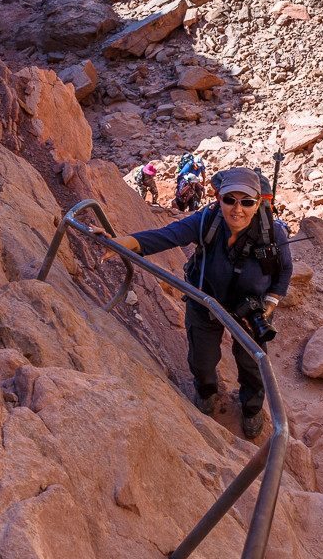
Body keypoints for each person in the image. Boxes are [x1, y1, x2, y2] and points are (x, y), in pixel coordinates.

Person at [99, 167, 293, 438]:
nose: (237, 209)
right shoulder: (206, 222)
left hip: (252, 309)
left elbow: (284, 270)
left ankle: (251, 408)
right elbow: (166, 236)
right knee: (202, 360)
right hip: (205, 301)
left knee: (252, 364)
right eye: (229, 200)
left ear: (258, 202)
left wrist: (270, 302)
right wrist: (121, 243)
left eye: (247, 202)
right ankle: (206, 393)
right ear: (218, 198)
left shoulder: (272, 233)